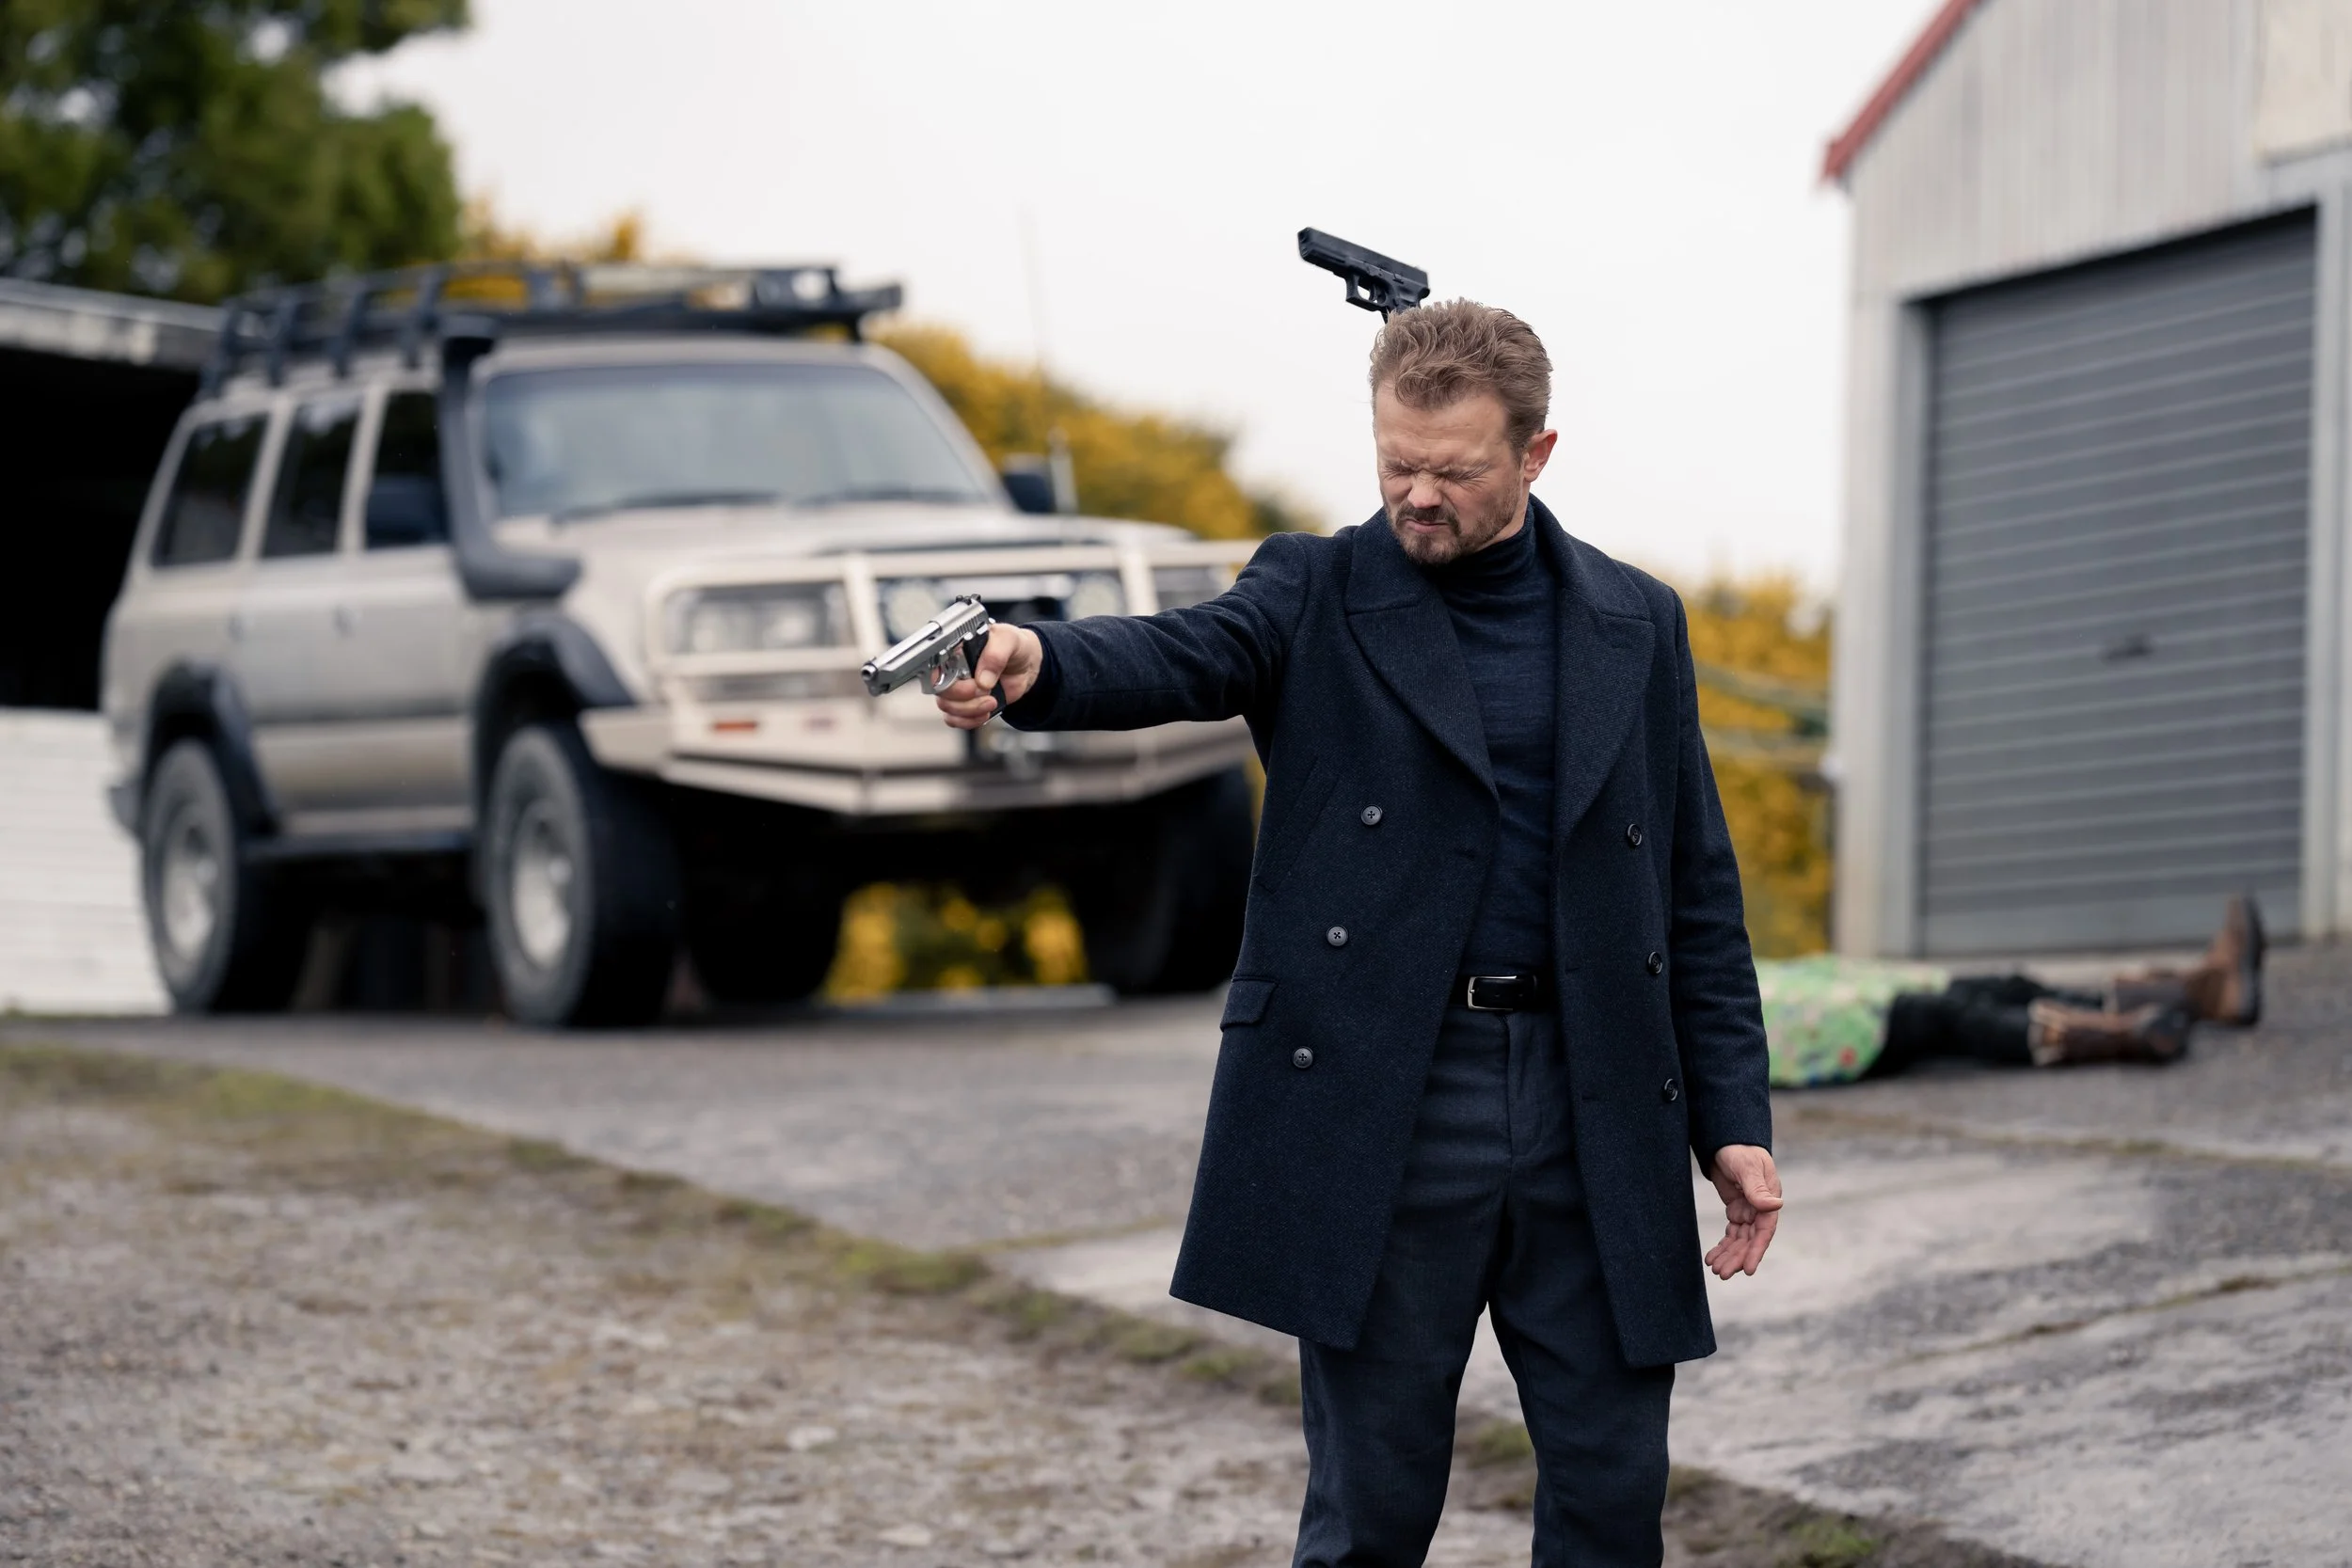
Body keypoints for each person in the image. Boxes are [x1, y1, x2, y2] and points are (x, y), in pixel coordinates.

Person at [935, 300, 1775, 1566]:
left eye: (1453, 470)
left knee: (1612, 1500)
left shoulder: (1636, 620)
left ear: (1537, 455)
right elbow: (1182, 653)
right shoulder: (1313, 588)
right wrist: (1035, 661)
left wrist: (1735, 1123)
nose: (1417, 496)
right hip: (1391, 1093)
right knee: (1371, 1509)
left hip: (1597, 1099)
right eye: (1396, 463)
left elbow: (1694, 893)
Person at [1760, 895, 2265, 1086]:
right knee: (1944, 1015)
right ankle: (2116, 1035)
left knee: (2007, 985)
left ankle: (2202, 993)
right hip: (1804, 1030)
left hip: (1812, 989)